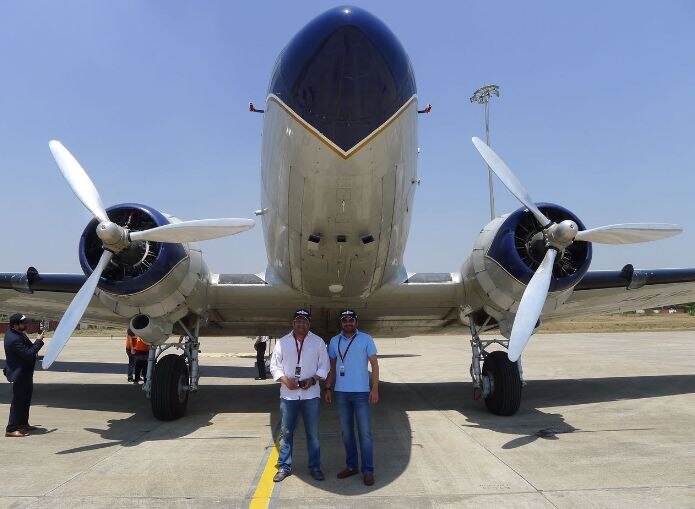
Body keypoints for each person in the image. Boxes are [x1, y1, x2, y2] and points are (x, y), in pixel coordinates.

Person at [269, 309, 329, 482]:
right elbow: (275, 366)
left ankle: (315, 467)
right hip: (288, 395)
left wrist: (313, 379)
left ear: (308, 324)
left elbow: (324, 366)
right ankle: (284, 466)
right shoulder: (282, 342)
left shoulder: (317, 342)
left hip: (311, 395)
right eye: (298, 321)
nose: (300, 324)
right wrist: (285, 381)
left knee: (313, 434)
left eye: (304, 321)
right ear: (293, 323)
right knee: (286, 432)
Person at [325, 309, 379, 486]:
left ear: (356, 322)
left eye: (351, 320)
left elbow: (374, 364)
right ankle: (351, 466)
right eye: (345, 320)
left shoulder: (366, 339)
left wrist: (375, 388)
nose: (348, 323)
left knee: (365, 433)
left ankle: (368, 470)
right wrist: (328, 388)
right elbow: (332, 367)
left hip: (362, 392)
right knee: (347, 433)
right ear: (341, 323)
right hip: (341, 393)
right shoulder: (334, 341)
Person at [3, 313, 45, 437]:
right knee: (18, 401)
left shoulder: (18, 334)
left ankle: (22, 424)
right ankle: (11, 429)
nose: (26, 324)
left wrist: (35, 349)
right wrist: (38, 341)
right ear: (16, 325)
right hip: (19, 373)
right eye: (23, 323)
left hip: (25, 372)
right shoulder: (14, 338)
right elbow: (28, 353)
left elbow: (29, 350)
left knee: (25, 400)